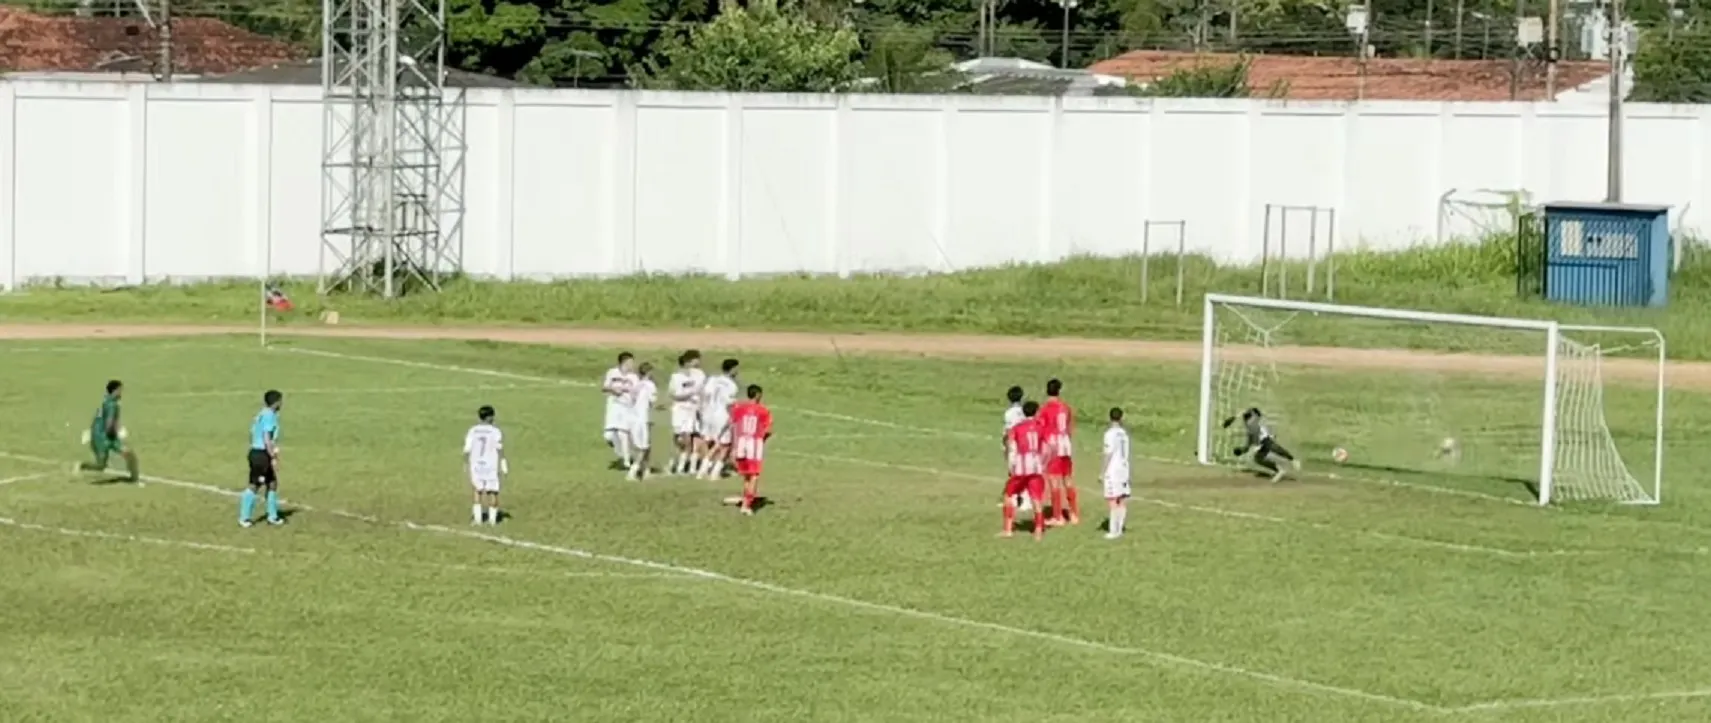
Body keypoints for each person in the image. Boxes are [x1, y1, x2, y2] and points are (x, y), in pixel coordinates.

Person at [77, 379, 139, 483]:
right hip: (103, 437)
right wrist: (118, 432)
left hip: (100, 435)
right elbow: (108, 424)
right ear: (115, 390)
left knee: (129, 453)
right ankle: (82, 466)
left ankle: (134, 479)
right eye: (120, 390)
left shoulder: (108, 401)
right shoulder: (112, 405)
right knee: (101, 465)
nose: (121, 393)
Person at [1002, 401, 1047, 540]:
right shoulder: (1041, 427)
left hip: (1021, 466)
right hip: (1036, 465)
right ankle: (1038, 530)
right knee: (1036, 499)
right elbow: (1047, 447)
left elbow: (1011, 446)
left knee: (1009, 495)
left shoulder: (1017, 428)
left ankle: (1008, 529)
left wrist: (1011, 465)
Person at [240, 390, 285, 528]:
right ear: (276, 402)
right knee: (255, 485)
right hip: (261, 454)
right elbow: (267, 437)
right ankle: (244, 517)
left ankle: (272, 516)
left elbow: (252, 432)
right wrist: (272, 455)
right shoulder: (269, 416)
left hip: (257, 452)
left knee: (272, 483)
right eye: (280, 401)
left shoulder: (261, 413)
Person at [1037, 378, 1078, 526]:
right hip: (1065, 444)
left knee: (1054, 481)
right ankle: (1074, 514)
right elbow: (1070, 427)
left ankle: (1058, 516)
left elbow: (1041, 428)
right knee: (1067, 479)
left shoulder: (1045, 409)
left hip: (1053, 446)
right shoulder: (1065, 407)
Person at [1222, 407, 1300, 482]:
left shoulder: (1254, 422)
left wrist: (1243, 412)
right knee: (1258, 458)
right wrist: (1242, 450)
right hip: (1262, 442)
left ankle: (1292, 460)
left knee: (1273, 447)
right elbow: (1249, 444)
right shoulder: (1250, 427)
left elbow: (1255, 411)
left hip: (1266, 439)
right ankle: (1279, 470)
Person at [729, 384, 773, 516]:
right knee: (754, 475)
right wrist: (762, 439)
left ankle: (744, 500)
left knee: (747, 476)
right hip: (754, 445)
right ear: (758, 395)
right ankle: (747, 505)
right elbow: (768, 430)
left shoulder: (739, 408)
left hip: (741, 443)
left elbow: (733, 425)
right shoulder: (763, 411)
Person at [696, 358, 740, 480]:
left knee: (711, 442)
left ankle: (703, 470)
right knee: (724, 445)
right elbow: (728, 402)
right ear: (732, 370)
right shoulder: (731, 385)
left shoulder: (713, 379)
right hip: (722, 415)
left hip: (708, 414)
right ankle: (714, 473)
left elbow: (704, 394)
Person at [464, 405, 507, 525]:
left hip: (476, 463)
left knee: (477, 490)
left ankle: (478, 519)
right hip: (490, 464)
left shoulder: (472, 430)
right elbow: (499, 447)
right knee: (492, 491)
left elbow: (467, 449)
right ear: (490, 417)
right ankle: (492, 520)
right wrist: (503, 462)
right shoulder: (495, 431)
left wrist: (466, 463)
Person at [667, 350, 707, 475]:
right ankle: (677, 464)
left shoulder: (699, 374)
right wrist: (690, 394)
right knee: (682, 439)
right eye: (696, 360)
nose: (698, 362)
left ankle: (691, 467)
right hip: (681, 410)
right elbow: (674, 394)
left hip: (694, 409)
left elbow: (702, 391)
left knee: (695, 438)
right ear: (688, 361)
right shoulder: (676, 377)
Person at [601, 352, 638, 470]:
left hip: (626, 407)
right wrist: (613, 389)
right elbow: (604, 387)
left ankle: (627, 462)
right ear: (624, 362)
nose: (632, 365)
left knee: (623, 433)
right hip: (613, 406)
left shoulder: (634, 377)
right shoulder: (612, 373)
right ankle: (623, 454)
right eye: (630, 362)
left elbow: (637, 392)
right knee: (608, 436)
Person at [1101, 407, 1132, 540]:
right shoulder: (1124, 433)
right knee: (1122, 498)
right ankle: (1120, 527)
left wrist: (1102, 472)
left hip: (1113, 470)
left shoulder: (1110, 434)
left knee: (1113, 500)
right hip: (1124, 468)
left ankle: (1114, 530)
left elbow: (1108, 454)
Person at [1000, 386, 1030, 512]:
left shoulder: (1009, 413)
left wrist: (1005, 444)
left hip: (1014, 443)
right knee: (1023, 470)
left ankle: (1020, 499)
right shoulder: (1025, 411)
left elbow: (1008, 431)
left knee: (1014, 472)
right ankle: (1019, 498)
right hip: (1026, 443)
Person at [628, 362, 659, 481]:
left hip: (633, 418)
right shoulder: (650, 385)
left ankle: (646, 470)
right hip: (643, 418)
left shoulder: (636, 385)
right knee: (643, 447)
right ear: (649, 373)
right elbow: (653, 401)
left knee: (644, 445)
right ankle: (633, 471)